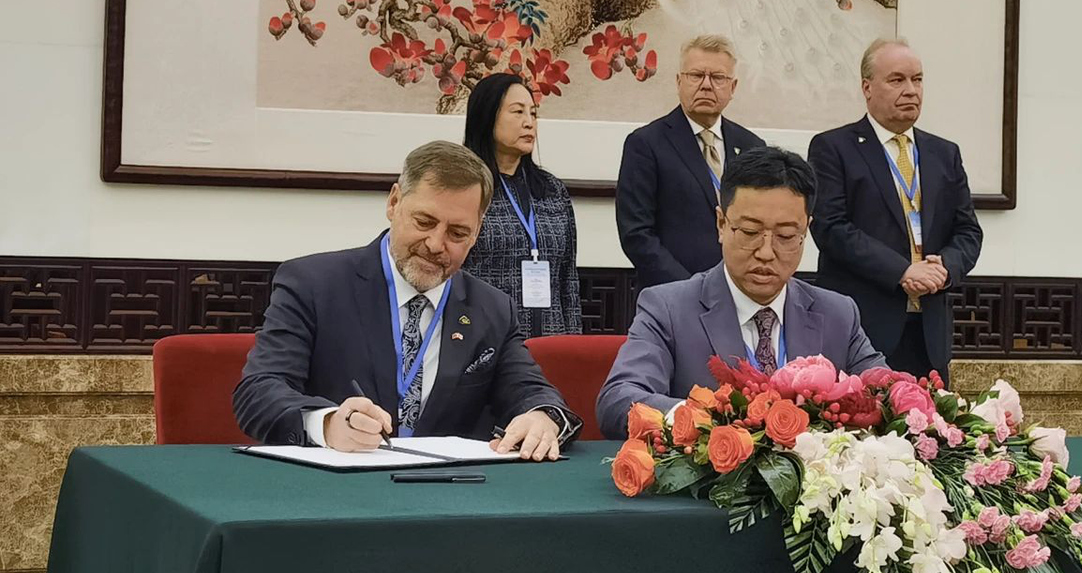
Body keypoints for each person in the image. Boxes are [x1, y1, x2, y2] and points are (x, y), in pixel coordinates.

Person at [233, 141, 582, 458]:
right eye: (424, 222)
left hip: (448, 493)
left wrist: (543, 416)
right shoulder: (313, 284)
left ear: (477, 232)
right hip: (335, 488)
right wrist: (326, 424)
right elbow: (259, 390)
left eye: (457, 233)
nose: (435, 244)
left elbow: (530, 390)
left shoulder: (492, 309)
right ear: (394, 202)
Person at [596, 146, 886, 439]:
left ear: (805, 231)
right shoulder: (668, 309)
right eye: (749, 232)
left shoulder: (838, 314)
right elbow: (618, 399)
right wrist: (706, 420)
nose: (766, 252)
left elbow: (888, 392)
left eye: (786, 236)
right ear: (721, 224)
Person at [808, 38, 983, 383]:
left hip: (928, 328)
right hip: (864, 326)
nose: (911, 90)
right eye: (897, 80)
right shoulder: (833, 148)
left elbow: (968, 231)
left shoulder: (944, 153)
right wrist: (902, 270)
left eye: (917, 80)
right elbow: (831, 228)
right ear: (867, 87)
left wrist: (945, 268)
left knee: (928, 417)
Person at [616, 34, 767, 288]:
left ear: (733, 87)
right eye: (696, 75)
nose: (706, 85)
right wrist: (690, 289)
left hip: (740, 293)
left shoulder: (753, 147)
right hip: (673, 294)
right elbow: (637, 234)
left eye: (718, 77)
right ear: (679, 82)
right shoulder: (646, 144)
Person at [462, 73, 582, 338]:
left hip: (550, 340)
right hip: (487, 338)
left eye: (533, 113)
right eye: (518, 112)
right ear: (487, 116)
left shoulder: (552, 190)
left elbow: (568, 279)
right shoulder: (465, 187)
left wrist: (572, 342)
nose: (529, 123)